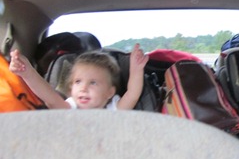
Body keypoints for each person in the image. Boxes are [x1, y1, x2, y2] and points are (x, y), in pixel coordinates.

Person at [9, 44, 148, 110]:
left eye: (93, 83)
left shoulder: (114, 109)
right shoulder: (71, 108)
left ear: (110, 92)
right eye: (78, 82)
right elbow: (49, 98)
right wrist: (27, 72)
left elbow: (132, 94)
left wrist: (136, 70)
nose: (83, 88)